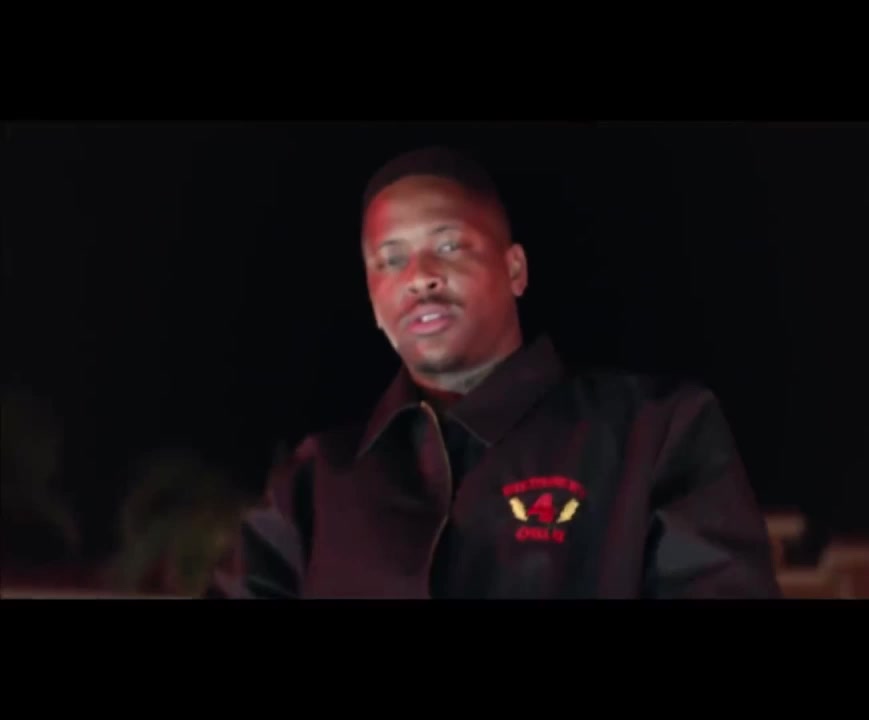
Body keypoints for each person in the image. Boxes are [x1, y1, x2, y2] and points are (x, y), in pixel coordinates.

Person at [210, 147, 780, 598]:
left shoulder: (655, 434)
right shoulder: (313, 482)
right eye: (391, 259)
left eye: (449, 245)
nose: (420, 276)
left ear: (515, 270)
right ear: (373, 301)